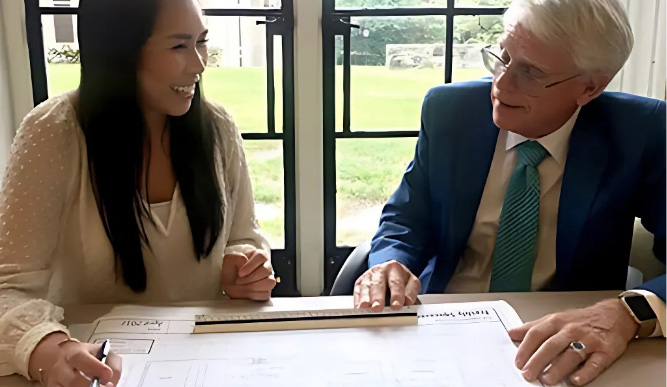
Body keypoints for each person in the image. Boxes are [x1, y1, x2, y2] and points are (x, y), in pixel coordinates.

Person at [353, 0, 665, 385]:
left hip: (566, 337)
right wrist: (390, 263)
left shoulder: (641, 131)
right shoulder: (450, 110)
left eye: (531, 72)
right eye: (502, 57)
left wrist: (626, 313)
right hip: (442, 324)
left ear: (590, 87)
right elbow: (406, 219)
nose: (501, 83)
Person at [0, 0, 276, 385]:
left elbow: (244, 236)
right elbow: (8, 288)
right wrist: (47, 348)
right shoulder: (54, 132)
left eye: (201, 41)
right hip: (95, 371)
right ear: (119, 51)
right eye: (179, 46)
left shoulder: (216, 127)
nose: (199, 63)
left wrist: (244, 265)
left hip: (205, 363)